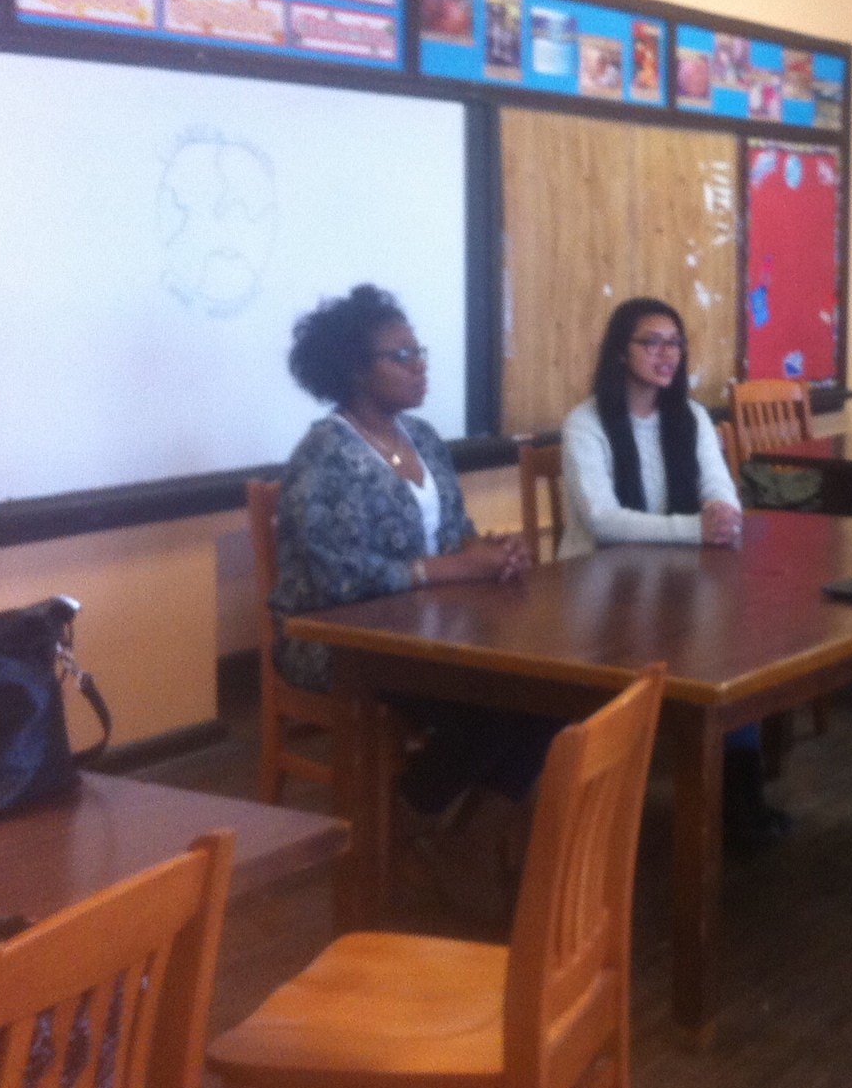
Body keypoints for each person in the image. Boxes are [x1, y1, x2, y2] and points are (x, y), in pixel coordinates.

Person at [271, 284, 555, 822]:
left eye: (418, 351)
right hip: (339, 642)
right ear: (356, 370)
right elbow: (338, 581)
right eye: (400, 356)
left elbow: (457, 530)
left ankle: (467, 819)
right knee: (495, 706)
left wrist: (492, 551)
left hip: (430, 627)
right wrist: (457, 567)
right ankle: (410, 814)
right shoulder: (324, 456)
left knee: (550, 691)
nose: (419, 365)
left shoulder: (421, 437)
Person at [560, 297, 786, 852]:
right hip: (599, 597)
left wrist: (724, 512)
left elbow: (719, 490)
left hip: (675, 583)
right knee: (707, 651)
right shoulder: (586, 423)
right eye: (652, 342)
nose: (667, 355)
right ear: (621, 351)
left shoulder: (690, 417)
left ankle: (739, 803)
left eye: (675, 344)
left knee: (730, 659)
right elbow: (604, 521)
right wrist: (695, 529)